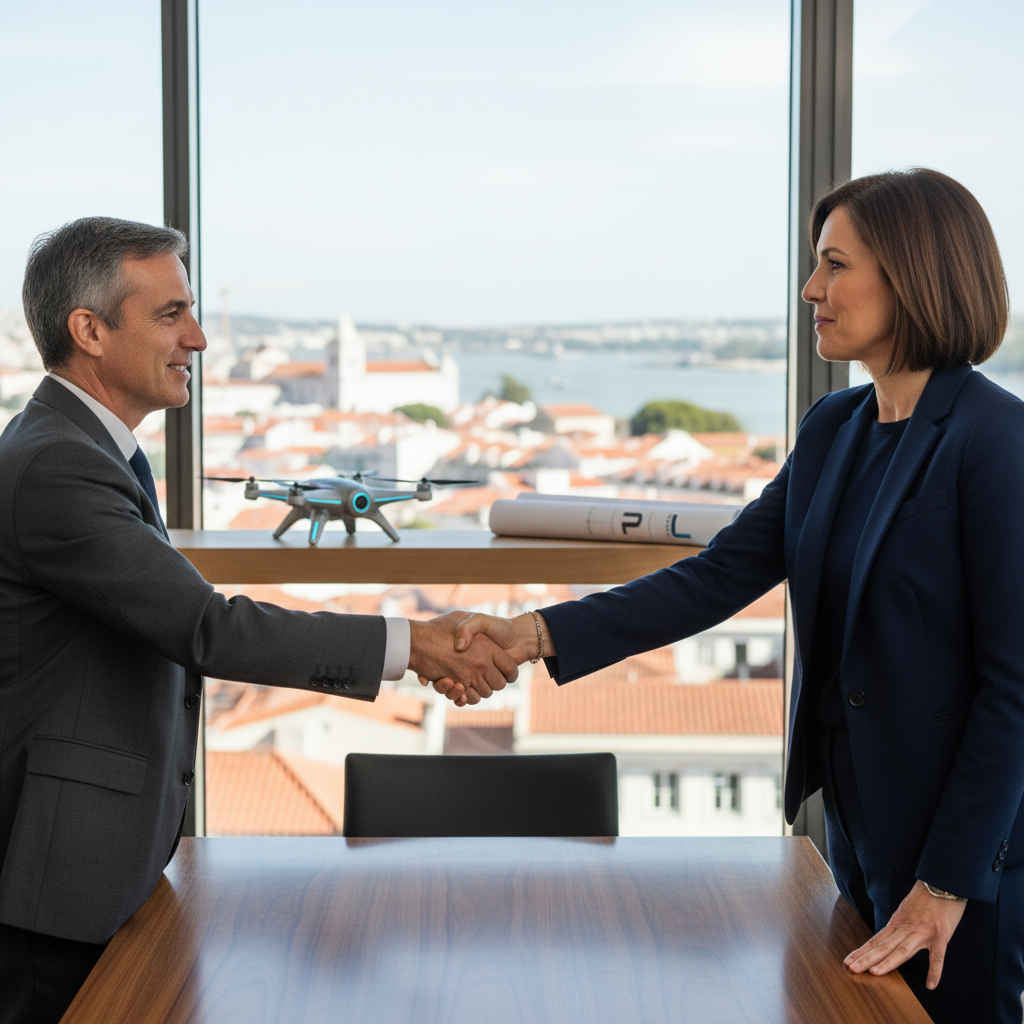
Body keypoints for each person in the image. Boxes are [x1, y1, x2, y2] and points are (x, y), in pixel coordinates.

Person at [430, 169, 1024, 1024]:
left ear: (913, 275)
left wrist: (945, 884)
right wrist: (531, 634)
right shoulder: (835, 430)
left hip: (961, 855)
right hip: (851, 830)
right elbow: (718, 576)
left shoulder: (996, 442)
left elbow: (1014, 689)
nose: (811, 289)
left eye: (834, 264)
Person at [0, 216, 515, 1024]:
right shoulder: (58, 466)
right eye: (171, 314)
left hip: (99, 862)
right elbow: (206, 627)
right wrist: (413, 644)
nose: (197, 339)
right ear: (89, 331)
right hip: (58, 882)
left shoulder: (86, 449)